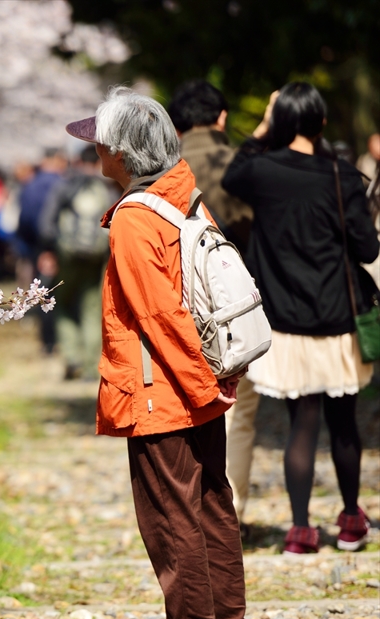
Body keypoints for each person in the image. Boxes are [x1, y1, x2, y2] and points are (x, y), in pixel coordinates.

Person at [66, 86, 251, 619]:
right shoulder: (186, 198)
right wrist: (217, 382)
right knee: (211, 499)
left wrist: (199, 385)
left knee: (169, 512)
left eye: (101, 142)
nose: (95, 151)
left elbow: (159, 315)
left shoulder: (133, 219)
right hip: (201, 380)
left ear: (122, 151)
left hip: (161, 388)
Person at [222, 83, 379, 554]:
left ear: (281, 122)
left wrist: (264, 127)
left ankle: (299, 529)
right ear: (323, 123)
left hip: (285, 321)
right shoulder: (342, 175)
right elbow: (369, 248)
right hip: (337, 318)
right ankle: (351, 520)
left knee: (302, 423)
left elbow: (233, 176)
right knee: (345, 423)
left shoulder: (262, 172)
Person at [167, 80, 259, 534]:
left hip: (179, 301)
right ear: (222, 118)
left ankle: (192, 508)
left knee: (188, 404)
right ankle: (229, 508)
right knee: (238, 408)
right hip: (233, 299)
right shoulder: (238, 163)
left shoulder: (167, 167)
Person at [38, 145, 113, 380]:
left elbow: (46, 223)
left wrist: (49, 250)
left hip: (67, 255)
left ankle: (72, 358)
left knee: (64, 304)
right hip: (96, 256)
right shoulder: (106, 189)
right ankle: (92, 365)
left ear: (78, 161)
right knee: (92, 307)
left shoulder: (66, 185)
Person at [16, 149, 67, 354]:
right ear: (57, 160)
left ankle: (48, 341)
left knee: (45, 292)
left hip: (39, 247)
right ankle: (65, 339)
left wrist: (27, 246)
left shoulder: (31, 186)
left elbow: (24, 218)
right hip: (65, 246)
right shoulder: (65, 183)